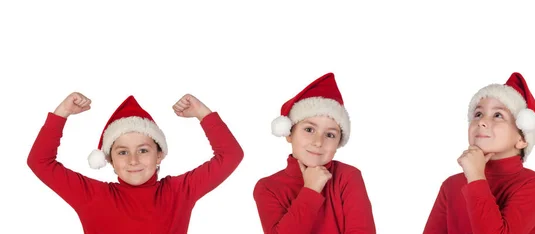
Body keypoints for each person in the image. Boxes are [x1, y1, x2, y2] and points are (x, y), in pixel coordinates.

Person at [27, 92, 244, 233]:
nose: (133, 160)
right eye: (122, 152)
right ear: (110, 160)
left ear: (159, 155)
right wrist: (61, 113)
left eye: (143, 150)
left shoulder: (179, 192)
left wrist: (202, 114)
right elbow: (40, 162)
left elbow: (231, 155)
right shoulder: (92, 196)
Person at [423, 72, 535, 233]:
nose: (482, 122)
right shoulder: (451, 185)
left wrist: (476, 177)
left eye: (498, 115)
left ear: (522, 139)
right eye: (478, 114)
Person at [253, 72, 377, 234]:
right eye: (309, 129)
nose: (319, 142)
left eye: (330, 134)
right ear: (289, 133)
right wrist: (311, 190)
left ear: (338, 142)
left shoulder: (348, 177)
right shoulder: (267, 188)